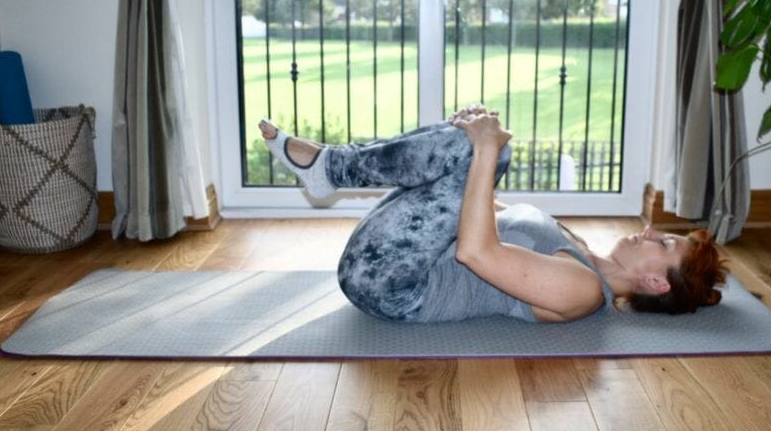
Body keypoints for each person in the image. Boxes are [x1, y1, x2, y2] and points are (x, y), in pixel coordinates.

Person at [259, 106, 726, 323]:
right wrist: (461, 138)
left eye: (664, 244)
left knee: (487, 153)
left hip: (392, 286)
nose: (650, 231)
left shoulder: (584, 291)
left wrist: (483, 152)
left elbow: (476, 252)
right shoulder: (578, 248)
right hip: (404, 256)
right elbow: (478, 208)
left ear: (657, 284)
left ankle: (330, 166)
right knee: (475, 143)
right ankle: (329, 166)